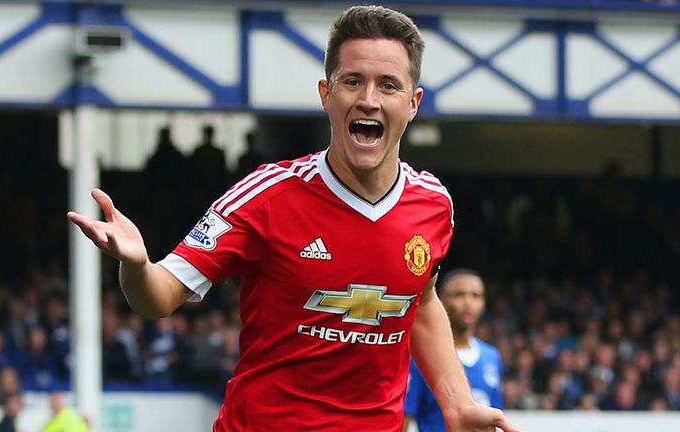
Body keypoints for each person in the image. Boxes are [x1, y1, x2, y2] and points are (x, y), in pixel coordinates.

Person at [68, 5, 519, 432]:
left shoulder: (433, 203)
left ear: (413, 102)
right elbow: (158, 297)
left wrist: (458, 404)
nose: (368, 100)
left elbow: (421, 302)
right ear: (326, 94)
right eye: (352, 82)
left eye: (388, 85)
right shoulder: (267, 196)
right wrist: (137, 265)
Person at [404, 269, 504, 432]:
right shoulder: (422, 356)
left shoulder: (492, 357)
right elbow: (405, 416)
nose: (468, 302)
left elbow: (496, 413)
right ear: (440, 300)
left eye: (475, 296)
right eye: (459, 295)